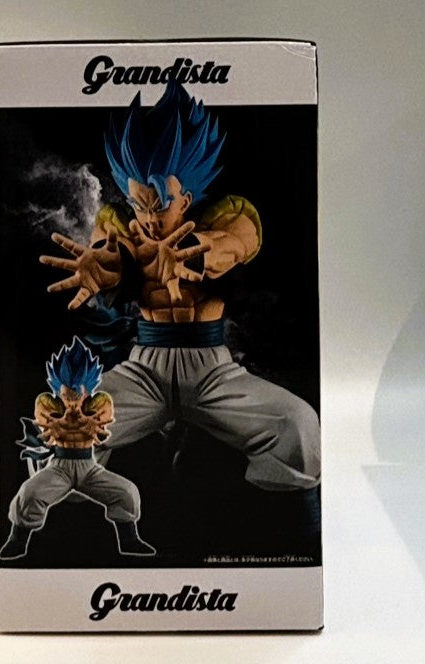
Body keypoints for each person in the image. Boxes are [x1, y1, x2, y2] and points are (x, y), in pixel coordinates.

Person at [38, 80, 321, 499]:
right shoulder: (120, 227)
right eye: (140, 204)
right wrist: (105, 266)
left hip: (212, 370)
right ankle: (80, 507)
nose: (150, 218)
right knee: (61, 429)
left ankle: (269, 515)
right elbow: (111, 255)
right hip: (144, 370)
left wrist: (197, 255)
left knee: (300, 427)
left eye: (161, 204)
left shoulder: (226, 216)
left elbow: (234, 244)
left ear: (185, 199)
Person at [0, 337, 155, 560]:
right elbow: (48, 432)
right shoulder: (47, 405)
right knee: (29, 493)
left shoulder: (100, 404)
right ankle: (17, 541)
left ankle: (129, 540)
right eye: (67, 396)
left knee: (127, 492)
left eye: (78, 396)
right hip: (59, 466)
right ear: (59, 390)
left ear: (88, 390)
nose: (73, 403)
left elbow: (101, 431)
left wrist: (83, 418)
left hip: (89, 466)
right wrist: (65, 420)